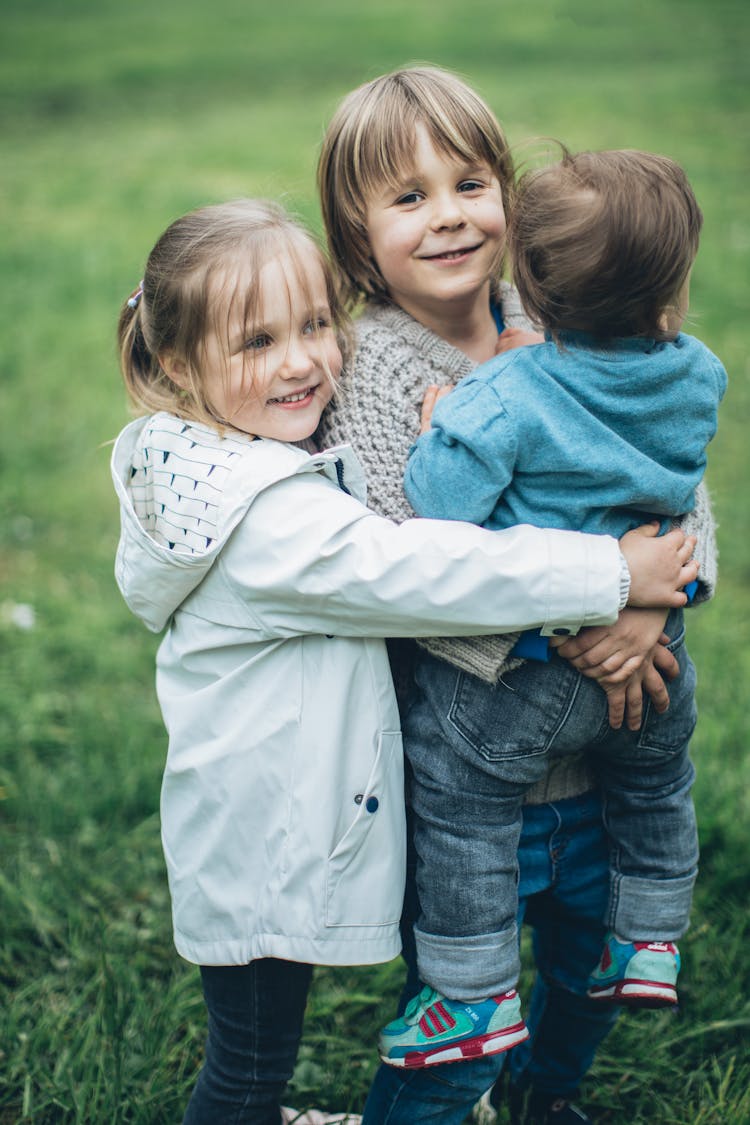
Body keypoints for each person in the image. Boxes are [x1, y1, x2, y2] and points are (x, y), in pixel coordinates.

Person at [110, 198, 694, 1125]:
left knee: (258, 1051)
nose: (302, 360)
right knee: (249, 1064)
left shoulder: (230, 458)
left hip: (277, 820)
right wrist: (609, 570)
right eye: (258, 342)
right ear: (178, 364)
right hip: (268, 841)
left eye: (312, 325)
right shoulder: (266, 521)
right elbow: (417, 569)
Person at [316, 67, 718, 1124]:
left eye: (471, 183)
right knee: (457, 1012)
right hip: (463, 786)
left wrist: (649, 606)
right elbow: (409, 563)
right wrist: (590, 606)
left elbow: (678, 488)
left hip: (602, 758)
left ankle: (549, 1094)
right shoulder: (371, 376)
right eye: (408, 197)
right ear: (359, 238)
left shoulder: (574, 319)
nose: (448, 215)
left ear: (512, 201)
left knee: (587, 974)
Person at [400, 146, 726, 1069]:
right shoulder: (700, 373)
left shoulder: (505, 392)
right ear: (673, 286)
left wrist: (442, 426)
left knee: (464, 804)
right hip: (657, 666)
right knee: (658, 785)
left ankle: (468, 994)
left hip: (529, 678)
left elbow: (443, 505)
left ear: (529, 291)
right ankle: (650, 936)